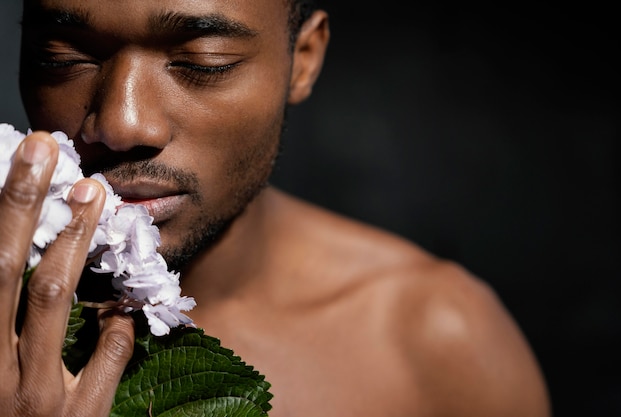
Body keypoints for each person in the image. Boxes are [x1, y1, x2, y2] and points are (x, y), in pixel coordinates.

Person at [1, 0, 551, 416]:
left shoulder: (434, 345)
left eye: (204, 62)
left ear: (303, 61)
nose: (121, 124)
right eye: (61, 57)